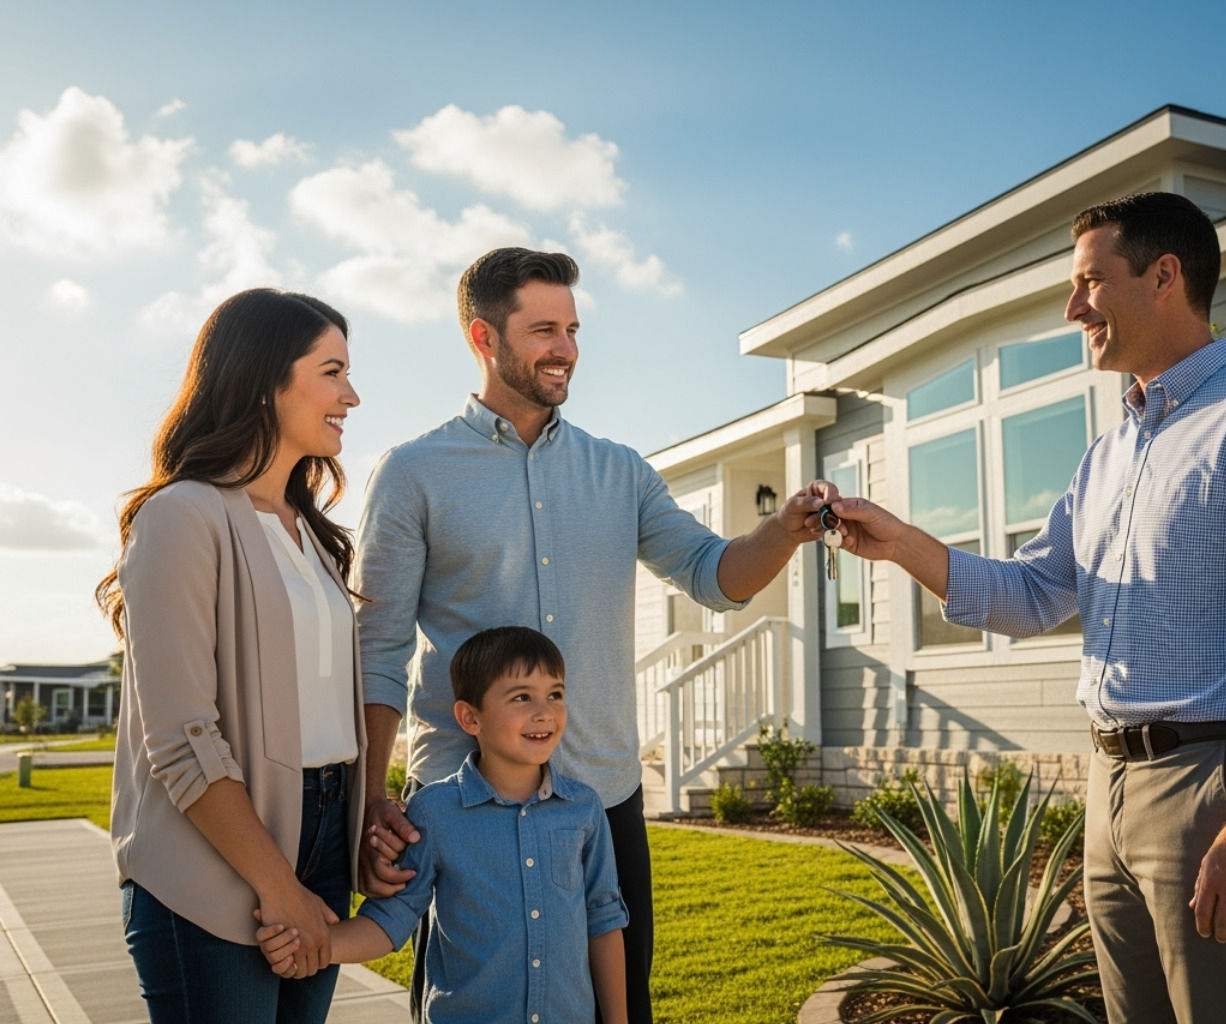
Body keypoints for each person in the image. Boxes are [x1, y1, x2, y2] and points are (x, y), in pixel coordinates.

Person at [827, 193, 1226, 1024]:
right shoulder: (1108, 454)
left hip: (1212, 791)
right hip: (1109, 788)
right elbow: (1035, 593)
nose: (1073, 308)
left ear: (1163, 276)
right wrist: (899, 542)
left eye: (1089, 282)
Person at [353, 247, 833, 1023]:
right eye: (544, 329)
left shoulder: (621, 471)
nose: (567, 349)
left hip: (600, 800)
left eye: (573, 329)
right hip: (462, 807)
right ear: (483, 336)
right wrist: (372, 797)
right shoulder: (413, 473)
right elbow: (377, 650)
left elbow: (715, 575)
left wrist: (781, 529)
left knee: (618, 1008)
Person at [98, 288, 367, 1024]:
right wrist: (277, 886)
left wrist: (366, 816)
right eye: (332, 371)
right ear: (263, 382)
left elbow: (318, 706)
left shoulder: (311, 534)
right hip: (214, 867)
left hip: (321, 843)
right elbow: (182, 736)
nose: (352, 395)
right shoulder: (182, 515)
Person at [258, 625, 628, 1024]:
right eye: (522, 697)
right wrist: (317, 944)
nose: (545, 712)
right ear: (470, 717)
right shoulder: (433, 812)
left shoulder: (583, 809)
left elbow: (603, 920)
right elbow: (391, 918)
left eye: (555, 694)